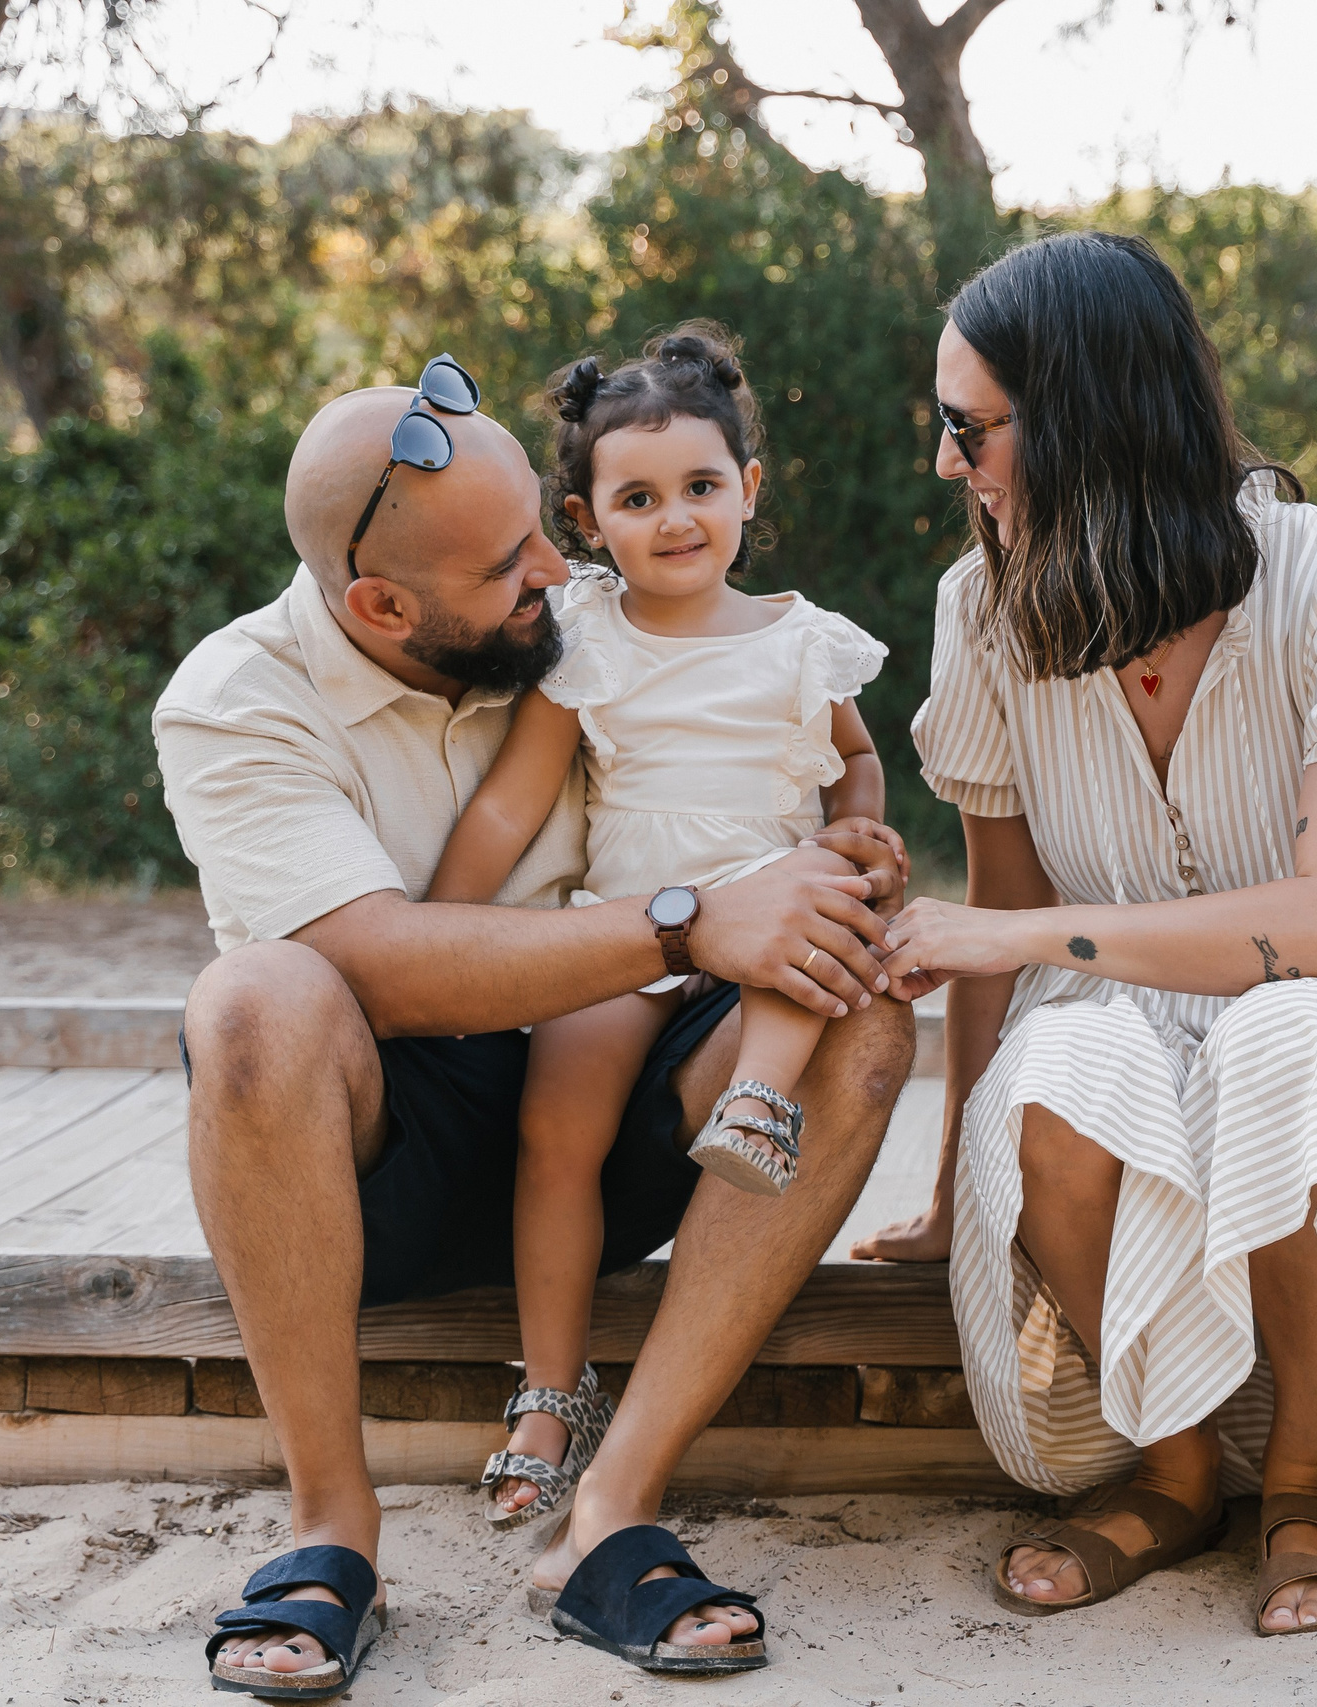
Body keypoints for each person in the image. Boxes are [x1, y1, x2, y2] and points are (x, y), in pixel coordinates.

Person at [154, 352, 913, 1695]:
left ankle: (607, 1511)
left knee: (857, 1010)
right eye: (516, 563)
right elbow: (375, 968)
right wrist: (691, 915)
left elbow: (800, 761)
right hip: (395, 1149)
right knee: (252, 996)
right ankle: (332, 1525)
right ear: (384, 604)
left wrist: (840, 859)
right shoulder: (238, 698)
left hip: (621, 1106)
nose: (563, 576)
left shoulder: (583, 633)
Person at [861, 233, 1317, 1636]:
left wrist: (1025, 933)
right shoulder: (980, 613)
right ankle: (1173, 1466)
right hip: (1113, 1042)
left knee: (1293, 1032)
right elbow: (999, 929)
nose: (944, 459)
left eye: (967, 425)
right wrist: (941, 1185)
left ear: (1088, 414)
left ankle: (1307, 1484)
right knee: (1068, 1063)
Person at [424, 325, 900, 1536]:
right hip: (630, 933)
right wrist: (434, 930)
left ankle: (763, 1100)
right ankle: (547, 1391)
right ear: (587, 521)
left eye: (699, 487)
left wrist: (856, 833)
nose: (674, 517)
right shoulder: (589, 642)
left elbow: (855, 763)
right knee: (553, 1130)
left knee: (818, 925)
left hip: (773, 906)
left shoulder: (803, 636)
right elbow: (515, 800)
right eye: (636, 498)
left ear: (748, 489)